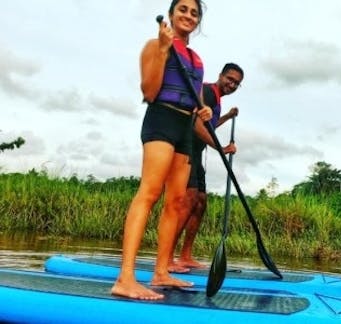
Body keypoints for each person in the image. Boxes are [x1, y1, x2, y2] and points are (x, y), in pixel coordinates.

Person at [111, 0, 212, 300]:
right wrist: (164, 49)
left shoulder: (196, 59)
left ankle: (161, 271)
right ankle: (125, 278)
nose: (188, 16)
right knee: (150, 192)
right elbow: (149, 91)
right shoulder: (154, 45)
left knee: (178, 201)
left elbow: (193, 101)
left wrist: (202, 110)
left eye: (194, 13)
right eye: (183, 9)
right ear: (170, 15)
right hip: (161, 119)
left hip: (184, 128)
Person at [169, 63, 244, 272]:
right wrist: (221, 148)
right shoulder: (208, 92)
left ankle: (185, 256)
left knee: (201, 203)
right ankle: (166, 258)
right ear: (220, 75)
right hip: (185, 150)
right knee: (190, 199)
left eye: (237, 83)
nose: (232, 84)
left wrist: (227, 116)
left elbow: (209, 124)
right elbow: (196, 124)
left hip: (197, 153)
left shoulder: (216, 100)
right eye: (230, 79)